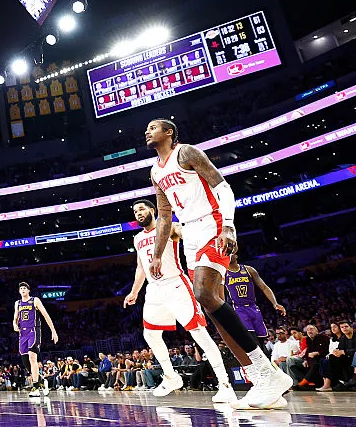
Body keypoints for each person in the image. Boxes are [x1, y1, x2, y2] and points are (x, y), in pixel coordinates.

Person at [145, 119, 291, 410]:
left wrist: (228, 226)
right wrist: (158, 253)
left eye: (153, 127)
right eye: (147, 129)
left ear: (169, 132)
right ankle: (262, 378)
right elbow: (164, 217)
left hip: (212, 224)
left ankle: (266, 373)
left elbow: (223, 187)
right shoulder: (155, 171)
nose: (147, 132)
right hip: (188, 233)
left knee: (203, 294)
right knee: (212, 307)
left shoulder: (186, 153)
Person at [123, 199, 236, 403]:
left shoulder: (170, 227)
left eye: (141, 209)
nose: (138, 213)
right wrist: (134, 292)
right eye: (135, 211)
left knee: (198, 334)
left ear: (152, 210)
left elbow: (192, 237)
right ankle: (171, 376)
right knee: (150, 335)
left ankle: (225, 384)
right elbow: (141, 268)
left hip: (176, 284)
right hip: (154, 290)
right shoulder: (137, 238)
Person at [225, 251, 286, 352]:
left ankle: (266, 361)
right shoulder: (224, 273)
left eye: (230, 253)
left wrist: (275, 303)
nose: (228, 256)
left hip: (253, 307)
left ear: (236, 255)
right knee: (251, 338)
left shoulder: (249, 270)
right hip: (238, 308)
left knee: (261, 339)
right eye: (225, 254)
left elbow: (264, 287)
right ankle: (259, 363)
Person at [13, 281, 58, 397]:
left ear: (28, 290)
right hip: (22, 333)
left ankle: (36, 388)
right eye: (21, 288)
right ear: (19, 291)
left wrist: (53, 331)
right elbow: (15, 318)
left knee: (32, 357)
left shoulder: (35, 300)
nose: (23, 289)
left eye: (25, 288)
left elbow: (46, 315)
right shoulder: (17, 303)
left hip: (33, 331)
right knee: (25, 362)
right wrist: (14, 324)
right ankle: (42, 380)